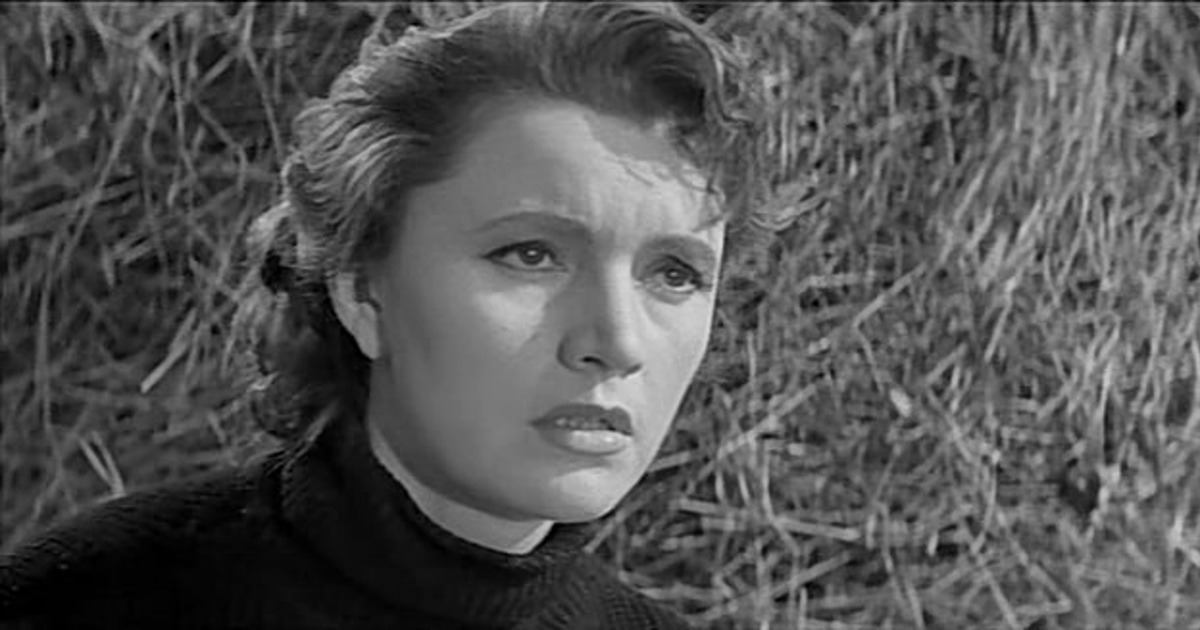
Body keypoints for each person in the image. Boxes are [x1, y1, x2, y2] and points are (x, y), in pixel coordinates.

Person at [1, 2, 767, 627]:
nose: (618, 341)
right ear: (362, 290)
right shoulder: (87, 601)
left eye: (674, 274)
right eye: (531, 255)